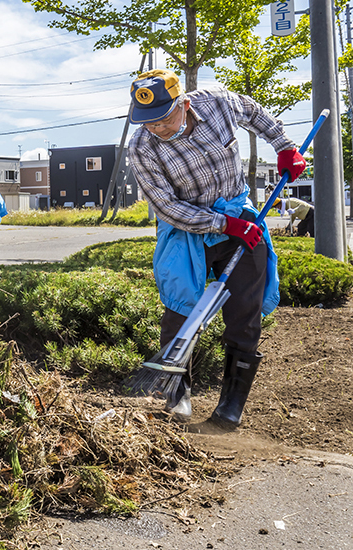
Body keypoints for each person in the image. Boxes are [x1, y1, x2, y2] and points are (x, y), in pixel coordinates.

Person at [126, 69, 303, 428]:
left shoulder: (217, 102)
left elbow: (253, 112)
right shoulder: (142, 148)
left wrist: (284, 146)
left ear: (185, 104)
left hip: (239, 213)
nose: (155, 129)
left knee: (245, 312)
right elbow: (166, 207)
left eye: (162, 120)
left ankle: (230, 409)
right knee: (181, 307)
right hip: (188, 228)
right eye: (148, 123)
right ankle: (176, 398)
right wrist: (222, 225)